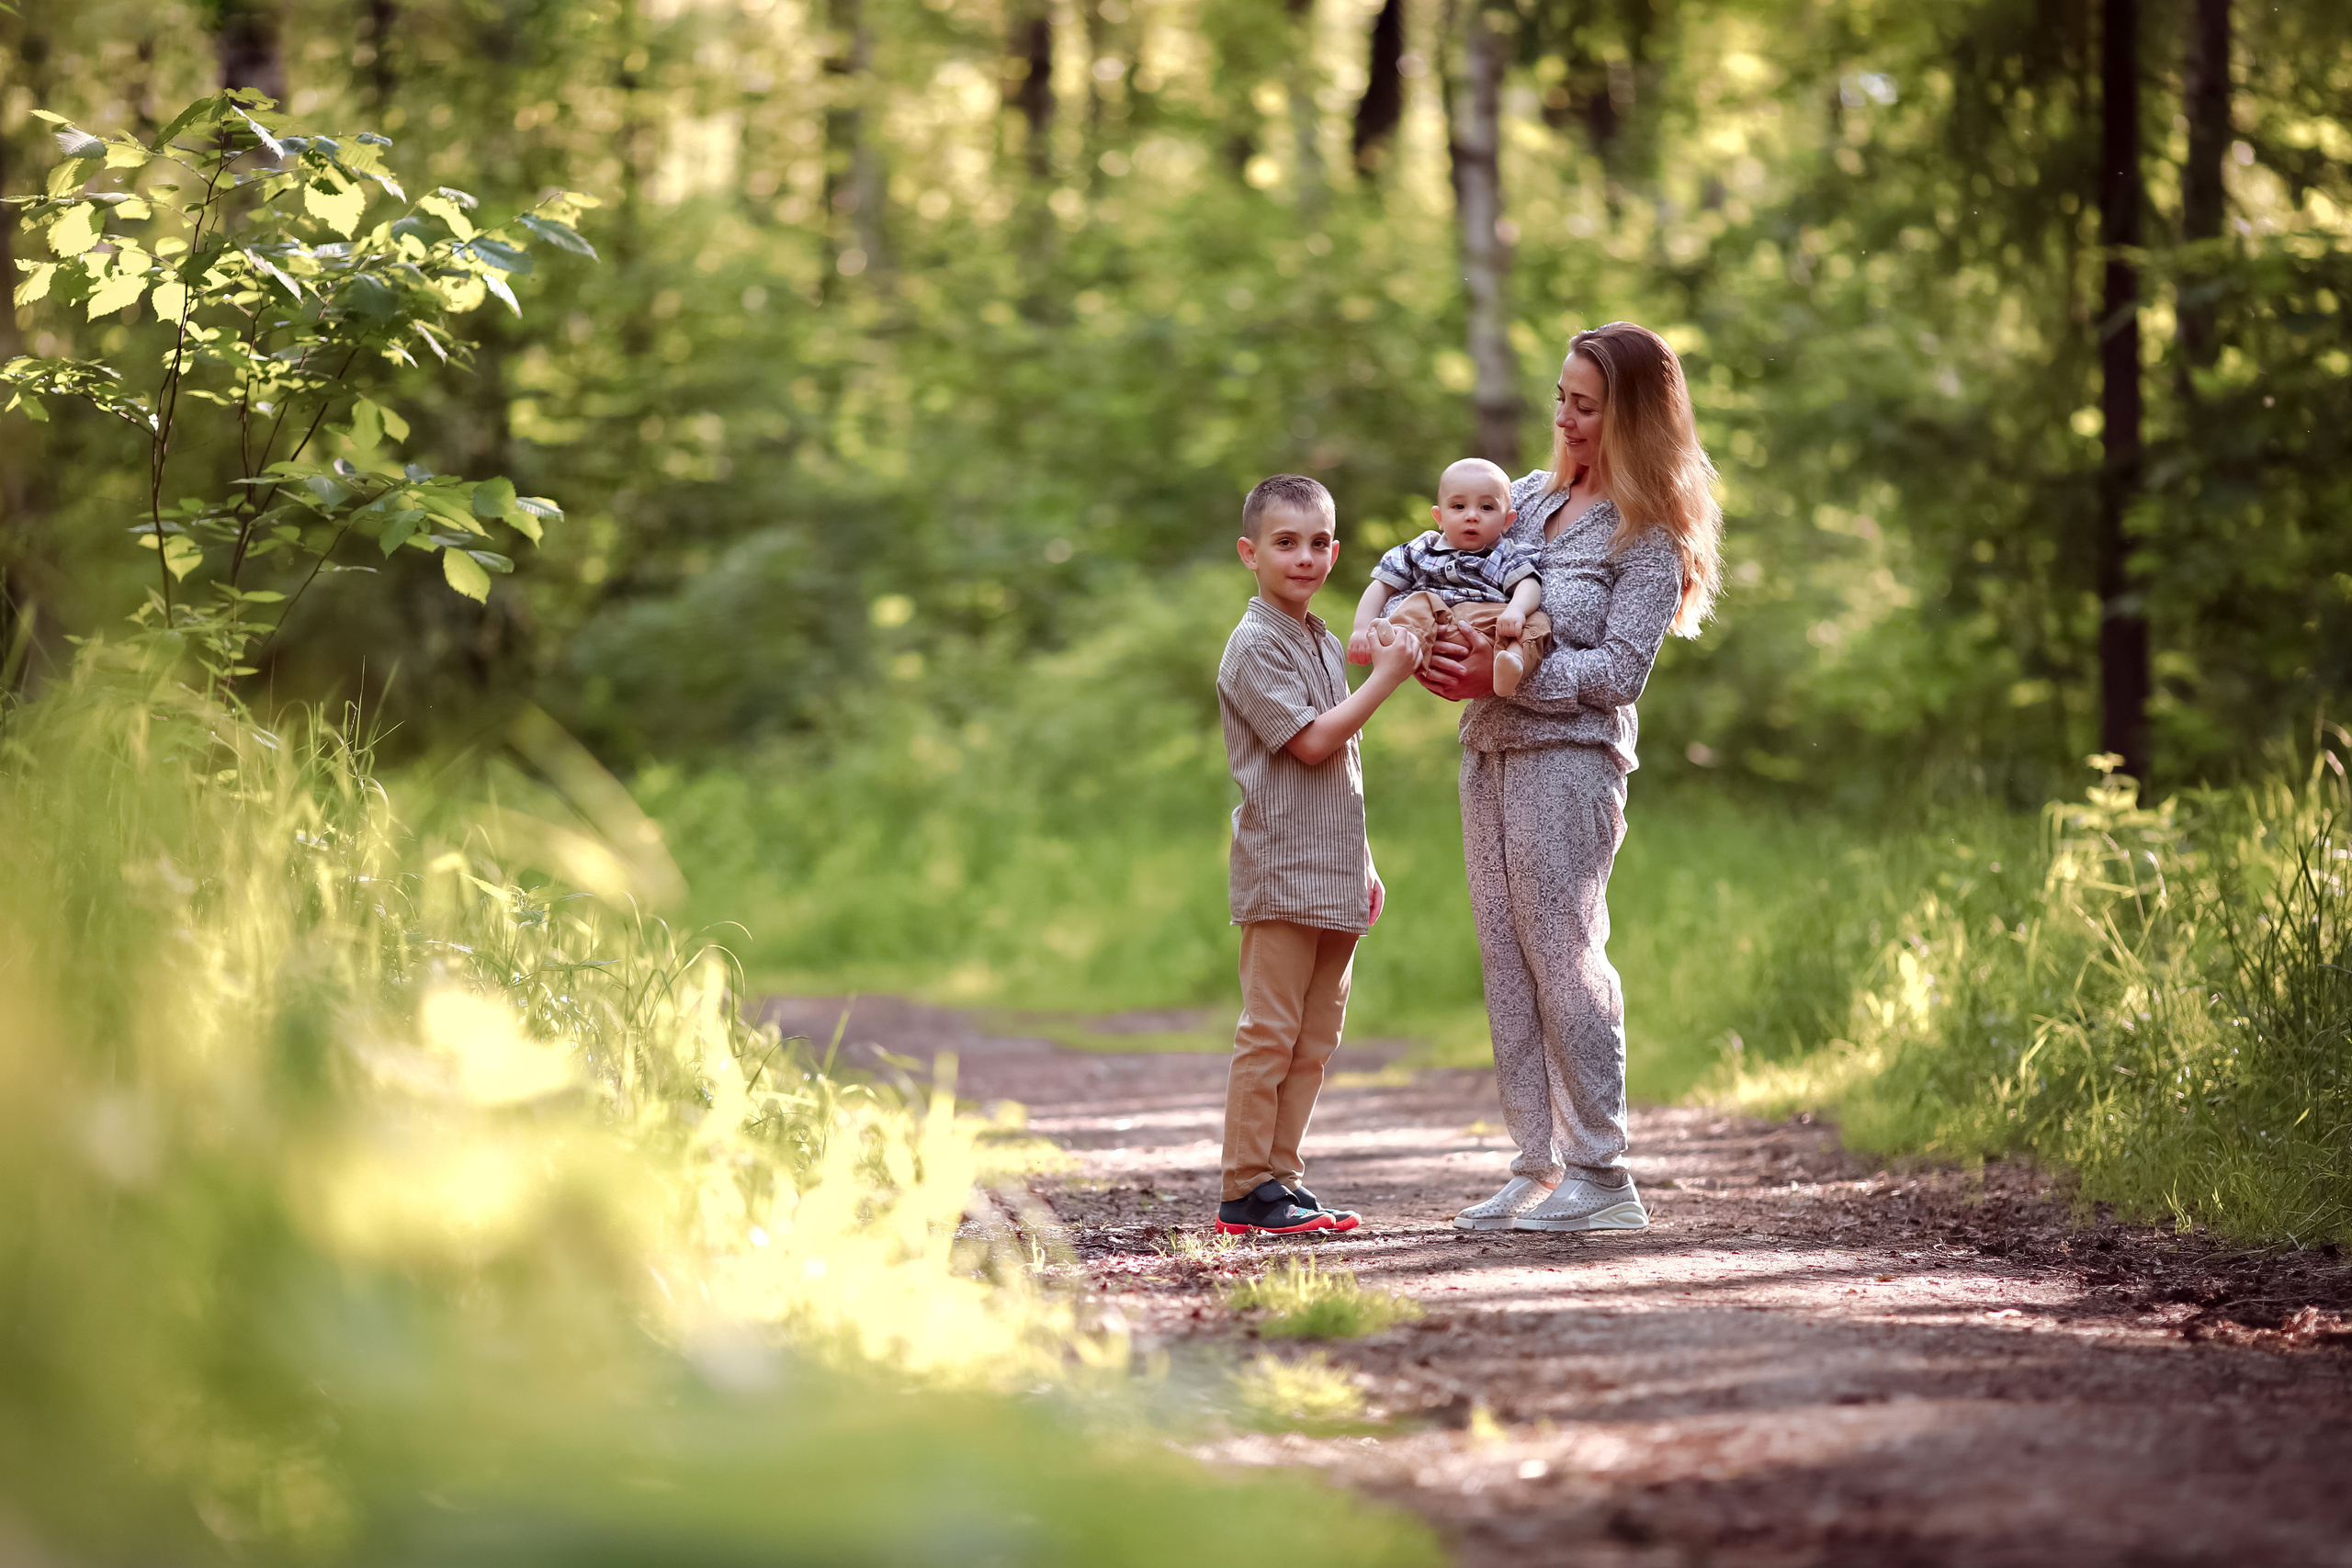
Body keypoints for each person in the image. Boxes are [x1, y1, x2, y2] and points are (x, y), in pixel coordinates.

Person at [1419, 322, 1724, 1234]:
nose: (1563, 417)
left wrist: (1509, 675)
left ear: (1630, 417)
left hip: (1570, 765)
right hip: (1489, 756)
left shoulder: (1649, 536)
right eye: (1559, 396)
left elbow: (1617, 673)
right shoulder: (1516, 497)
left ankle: (1605, 1173)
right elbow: (1443, 570)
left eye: (1584, 406)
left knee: (1564, 956)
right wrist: (1432, 638)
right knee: (1509, 965)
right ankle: (1535, 1164)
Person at [1213, 474, 1423, 1235]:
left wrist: (1363, 862)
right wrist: (1387, 678)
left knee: (1315, 1037)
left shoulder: (1324, 639)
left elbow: (1346, 771)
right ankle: (1243, 1187)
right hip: (1281, 870)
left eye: (1315, 544)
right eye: (1283, 542)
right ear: (1250, 552)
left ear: (1334, 553)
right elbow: (1312, 744)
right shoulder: (1250, 648)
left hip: (1334, 872)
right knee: (1269, 1030)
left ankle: (1282, 1179)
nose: (1302, 557)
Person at [1346, 457, 1553, 698]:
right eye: (1458, 507)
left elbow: (1528, 584)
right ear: (1439, 517)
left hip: (1490, 623)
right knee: (1418, 601)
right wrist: (1361, 629)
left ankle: (1513, 664)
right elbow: (1381, 586)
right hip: (1437, 618)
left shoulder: (1507, 554)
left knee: (1538, 621)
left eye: (1486, 507)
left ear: (1507, 521)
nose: (1472, 516)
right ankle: (1400, 647)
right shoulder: (1421, 549)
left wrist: (1516, 610)